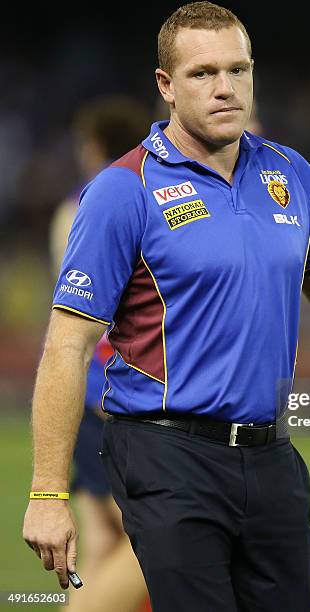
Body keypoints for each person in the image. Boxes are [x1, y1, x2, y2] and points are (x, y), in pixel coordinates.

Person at [23, 3, 310, 611]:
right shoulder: (121, 191)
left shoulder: (294, 176)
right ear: (166, 87)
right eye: (203, 73)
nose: (224, 88)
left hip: (272, 457)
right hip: (166, 454)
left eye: (238, 70)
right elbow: (67, 344)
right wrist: (49, 491)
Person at [49, 97, 151, 612]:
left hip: (89, 392)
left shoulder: (79, 206)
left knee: (103, 544)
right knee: (152, 541)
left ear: (93, 147)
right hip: (113, 392)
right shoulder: (137, 202)